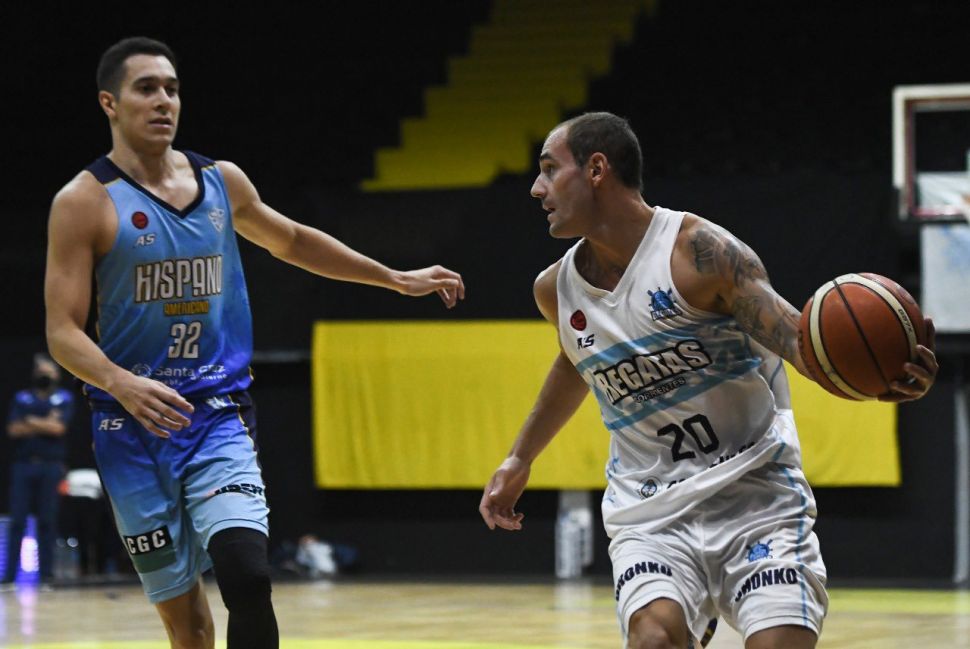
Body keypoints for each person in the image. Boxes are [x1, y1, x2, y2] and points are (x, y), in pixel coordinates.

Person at [44, 37, 464, 649]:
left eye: (172, 89)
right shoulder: (83, 202)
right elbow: (61, 330)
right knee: (189, 630)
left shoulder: (221, 181)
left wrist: (393, 277)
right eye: (146, 88)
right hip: (130, 428)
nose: (163, 101)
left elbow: (291, 239)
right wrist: (121, 382)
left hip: (217, 413)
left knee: (247, 576)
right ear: (109, 102)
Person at [478, 112, 937, 649]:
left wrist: (885, 381)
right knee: (653, 640)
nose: (537, 189)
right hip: (650, 509)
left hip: (754, 495)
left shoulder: (702, 254)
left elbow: (801, 345)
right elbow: (574, 360)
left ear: (597, 169)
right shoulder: (555, 289)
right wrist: (520, 457)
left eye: (550, 170)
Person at [2, 354, 74, 589]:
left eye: (49, 372)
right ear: (34, 374)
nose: (44, 376)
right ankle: (9, 577)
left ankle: (46, 577)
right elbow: (13, 430)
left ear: (56, 375)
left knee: (47, 520)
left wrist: (30, 421)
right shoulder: (21, 397)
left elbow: (58, 428)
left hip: (50, 466)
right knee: (17, 521)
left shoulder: (63, 397)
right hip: (23, 465)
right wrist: (45, 422)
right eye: (41, 372)